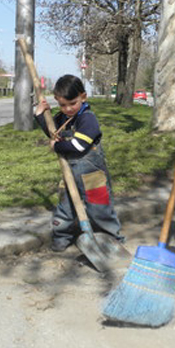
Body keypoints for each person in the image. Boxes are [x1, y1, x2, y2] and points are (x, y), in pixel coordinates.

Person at [34, 75, 123, 252]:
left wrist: (58, 146)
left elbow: (78, 145)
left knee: (100, 207)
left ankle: (113, 239)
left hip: (92, 175)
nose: (67, 109)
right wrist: (40, 115)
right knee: (65, 208)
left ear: (83, 97)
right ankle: (61, 236)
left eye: (72, 103)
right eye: (62, 105)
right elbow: (54, 134)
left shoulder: (88, 119)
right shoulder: (64, 117)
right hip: (70, 173)